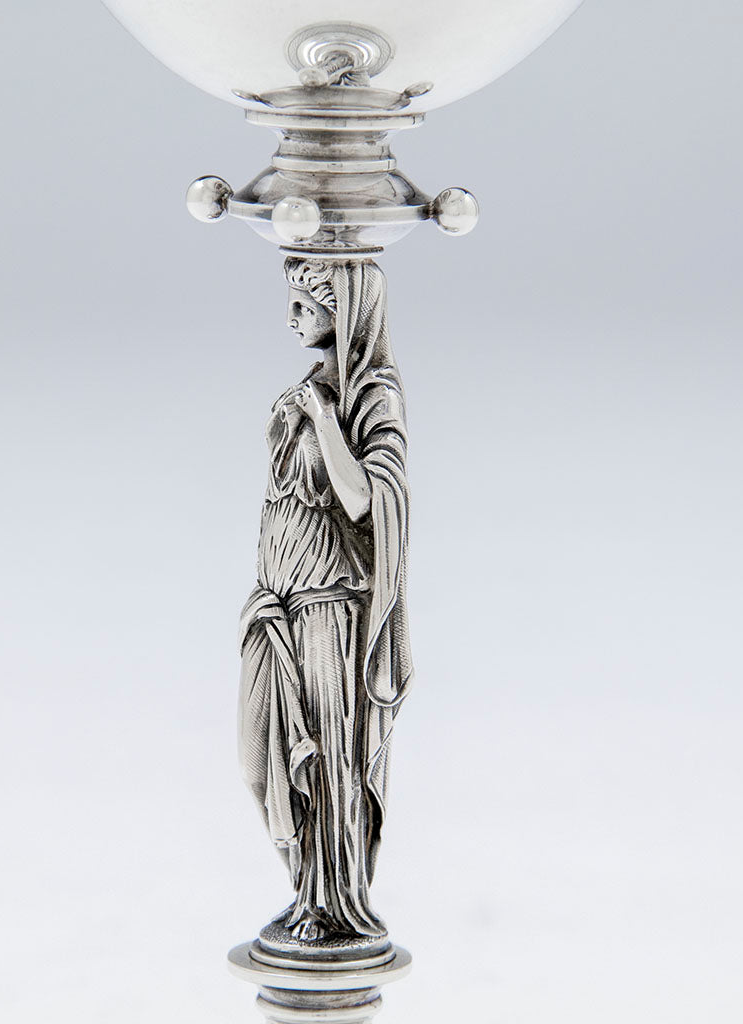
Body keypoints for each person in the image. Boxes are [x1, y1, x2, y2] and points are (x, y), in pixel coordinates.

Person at [238, 258, 413, 949]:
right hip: (279, 599)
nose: (291, 320)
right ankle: (306, 889)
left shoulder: (372, 396)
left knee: (330, 754)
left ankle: (331, 902)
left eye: (304, 308)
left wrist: (322, 419)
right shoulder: (306, 389)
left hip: (329, 604)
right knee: (259, 758)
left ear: (344, 309)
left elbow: (367, 499)